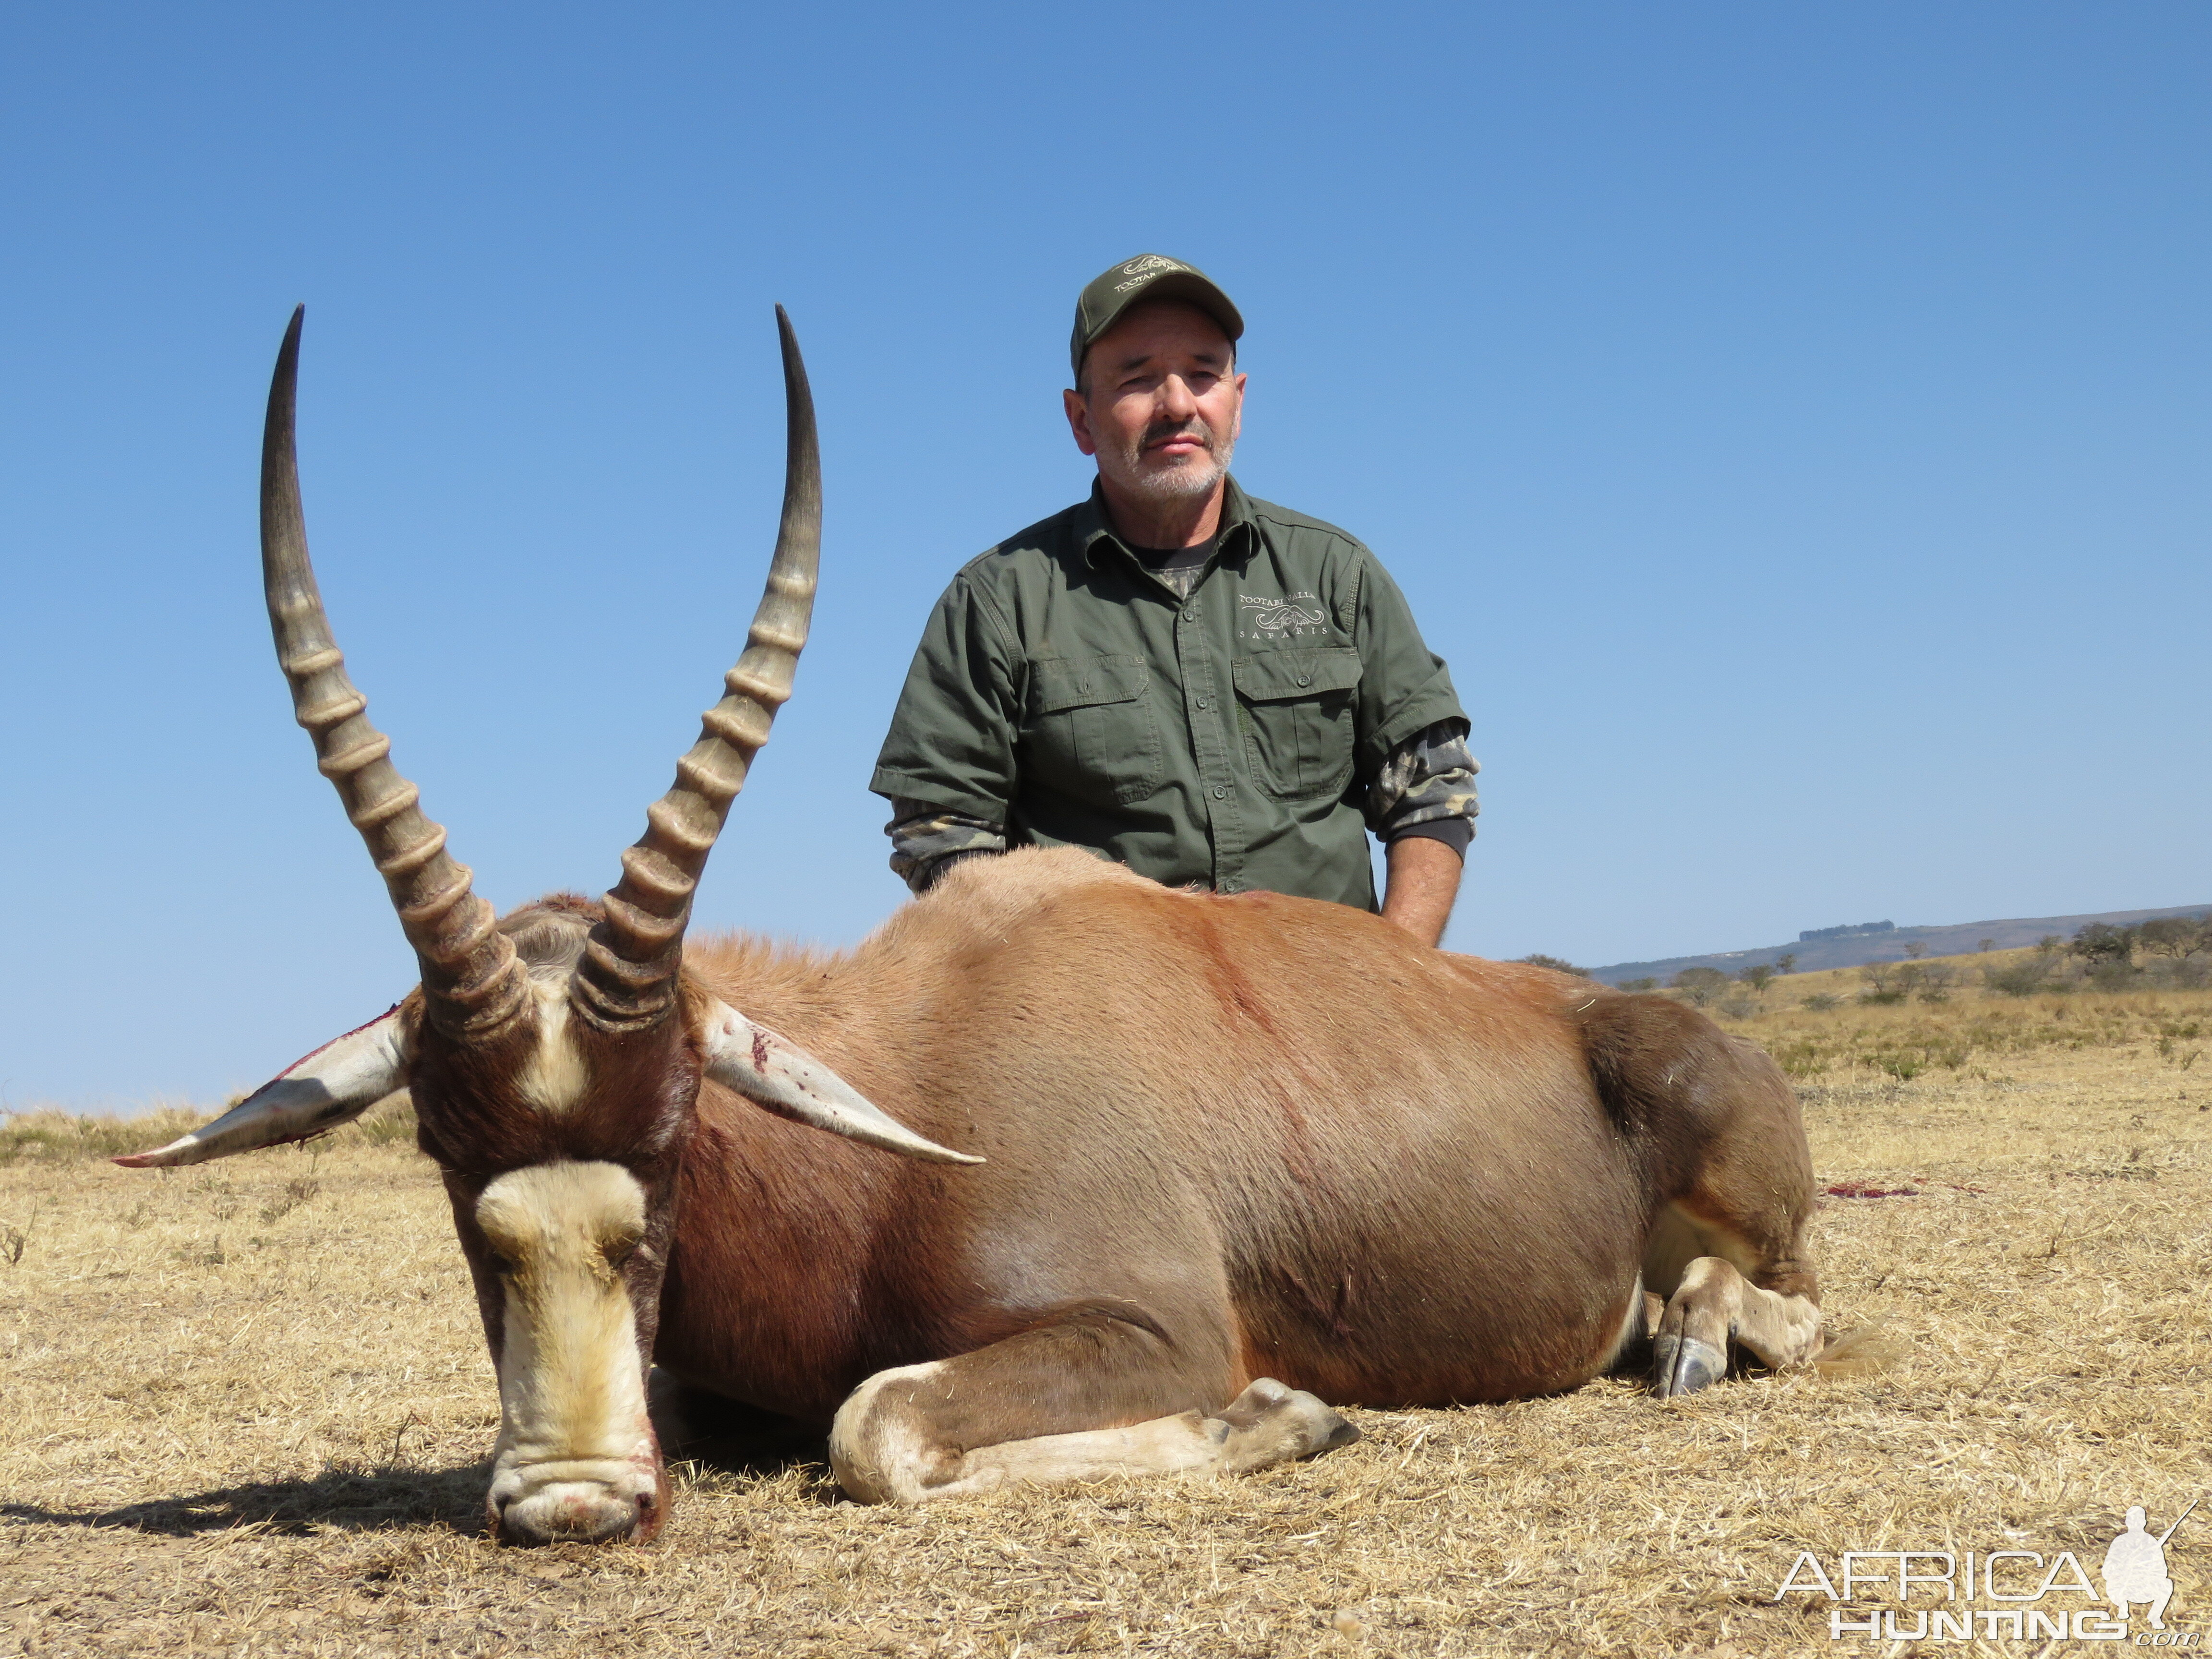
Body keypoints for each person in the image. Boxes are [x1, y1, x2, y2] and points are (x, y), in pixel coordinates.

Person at [869, 253, 1477, 944]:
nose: (1178, 404)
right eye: (1137, 378)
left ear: (1238, 400)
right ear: (1080, 419)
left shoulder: (1337, 573)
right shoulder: (996, 600)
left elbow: (1432, 789)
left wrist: (1397, 977)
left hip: (1334, 1014)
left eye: (1203, 373)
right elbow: (941, 834)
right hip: (1113, 1029)